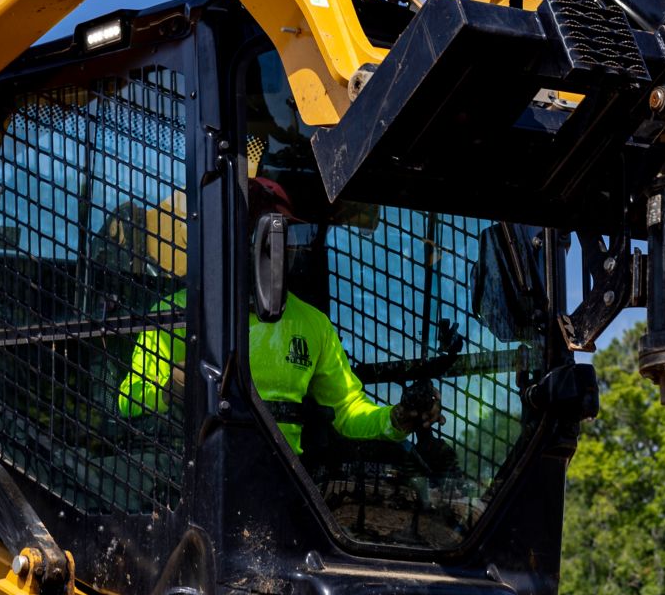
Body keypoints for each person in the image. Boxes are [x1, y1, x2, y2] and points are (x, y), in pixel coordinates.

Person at [116, 177, 440, 454]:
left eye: (290, 239)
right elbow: (128, 401)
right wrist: (173, 387)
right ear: (240, 242)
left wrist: (394, 420)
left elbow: (348, 410)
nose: (291, 250)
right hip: (199, 473)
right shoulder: (176, 316)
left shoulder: (312, 324)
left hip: (284, 482)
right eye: (276, 240)